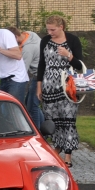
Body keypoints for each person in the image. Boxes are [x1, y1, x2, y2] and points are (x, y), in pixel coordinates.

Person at [36, 15, 84, 167]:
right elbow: (42, 64)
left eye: (53, 30)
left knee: (68, 118)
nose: (50, 32)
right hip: (49, 84)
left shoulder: (72, 40)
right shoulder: (45, 41)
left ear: (61, 27)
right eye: (48, 29)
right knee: (52, 119)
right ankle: (58, 146)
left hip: (67, 85)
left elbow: (80, 65)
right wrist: (39, 86)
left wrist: (68, 55)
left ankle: (68, 154)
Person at [11, 25, 44, 127]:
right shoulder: (30, 35)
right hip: (39, 75)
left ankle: (37, 132)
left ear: (15, 37)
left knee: (32, 106)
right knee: (31, 103)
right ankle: (44, 128)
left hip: (41, 77)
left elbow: (22, 70)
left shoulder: (27, 49)